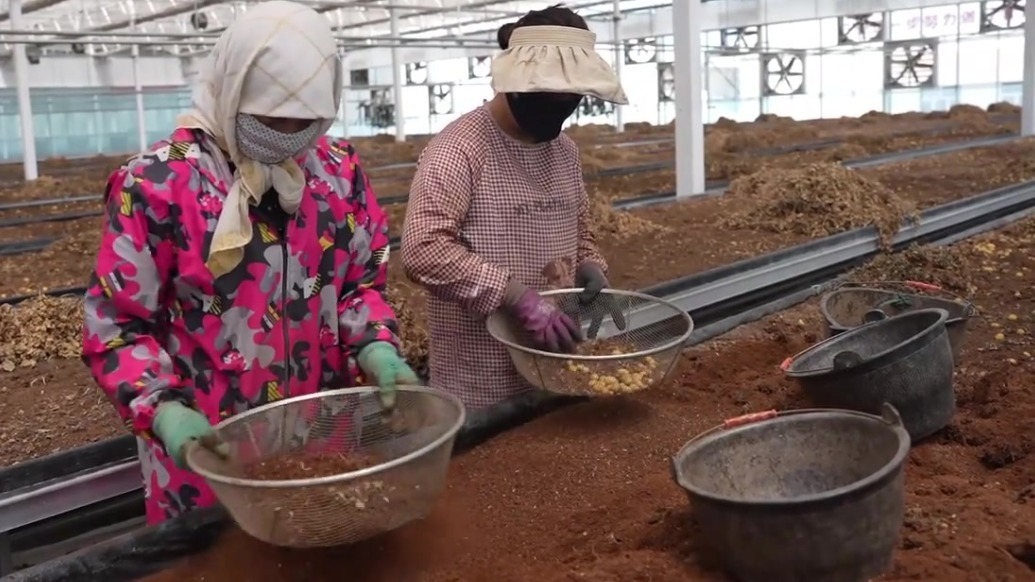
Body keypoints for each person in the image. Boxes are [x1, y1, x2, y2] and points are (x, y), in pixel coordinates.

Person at [81, 0, 419, 526]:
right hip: (208, 453)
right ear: (232, 90)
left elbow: (360, 285)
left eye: (303, 122)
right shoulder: (157, 187)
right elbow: (118, 324)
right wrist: (162, 409)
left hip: (322, 446)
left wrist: (375, 343)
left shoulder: (336, 173)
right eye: (269, 119)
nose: (287, 134)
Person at [400, 5, 628, 411]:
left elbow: (579, 232)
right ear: (517, 84)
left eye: (569, 100)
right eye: (548, 99)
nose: (558, 111)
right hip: (481, 378)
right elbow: (423, 251)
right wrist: (513, 296)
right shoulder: (460, 151)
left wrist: (591, 265)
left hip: (557, 363)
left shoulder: (564, 152)